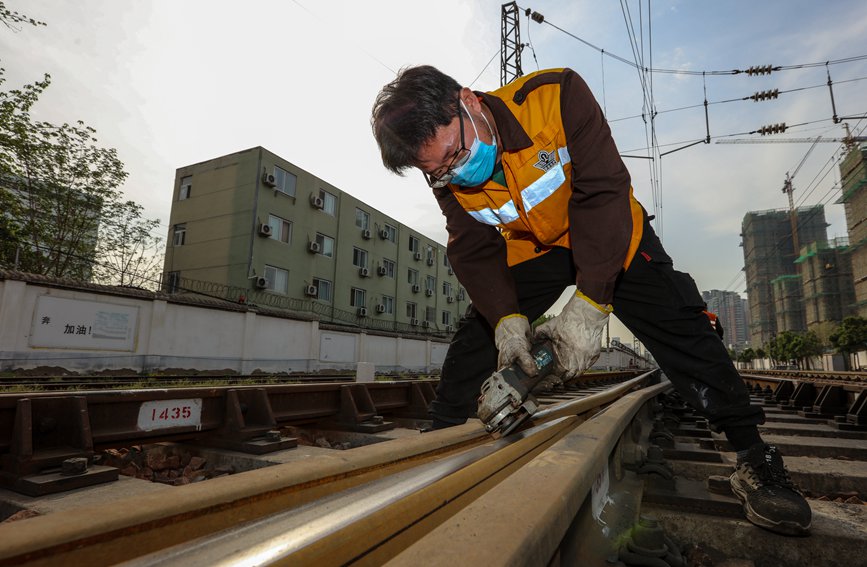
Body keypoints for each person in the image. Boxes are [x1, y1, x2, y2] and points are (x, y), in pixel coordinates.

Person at [371, 66, 811, 536]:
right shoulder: (440, 168)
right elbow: (473, 244)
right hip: (534, 246)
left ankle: (754, 457)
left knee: (681, 328)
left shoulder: (555, 97)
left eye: (455, 156)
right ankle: (440, 443)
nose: (454, 172)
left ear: (469, 102)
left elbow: (603, 192)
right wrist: (506, 320)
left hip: (608, 229)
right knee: (476, 335)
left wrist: (589, 306)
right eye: (438, 171)